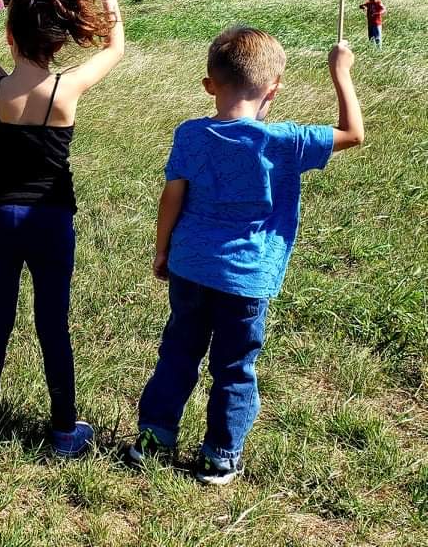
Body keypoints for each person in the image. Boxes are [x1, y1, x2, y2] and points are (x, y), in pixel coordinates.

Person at [130, 28, 364, 484]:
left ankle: (154, 437)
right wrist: (341, 72)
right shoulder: (286, 141)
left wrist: (162, 250)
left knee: (177, 353)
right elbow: (353, 133)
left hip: (190, 266)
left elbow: (171, 197)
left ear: (209, 84)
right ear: (273, 88)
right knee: (235, 368)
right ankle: (219, 456)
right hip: (247, 278)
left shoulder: (190, 134)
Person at [0, 0, 124, 456]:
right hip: (51, 220)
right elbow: (115, 50)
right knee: (52, 323)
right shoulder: (65, 89)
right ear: (57, 42)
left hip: (1, 216)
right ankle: (63, 430)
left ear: (10, 36)